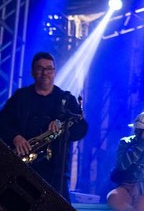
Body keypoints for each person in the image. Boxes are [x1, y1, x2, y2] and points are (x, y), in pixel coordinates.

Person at [0, 52, 88, 200]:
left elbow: (82, 129)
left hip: (56, 174)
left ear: (54, 72)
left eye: (49, 69)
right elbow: (3, 122)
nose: (44, 73)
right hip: (23, 169)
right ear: (32, 72)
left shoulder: (66, 100)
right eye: (40, 68)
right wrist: (15, 137)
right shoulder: (21, 97)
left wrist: (63, 126)